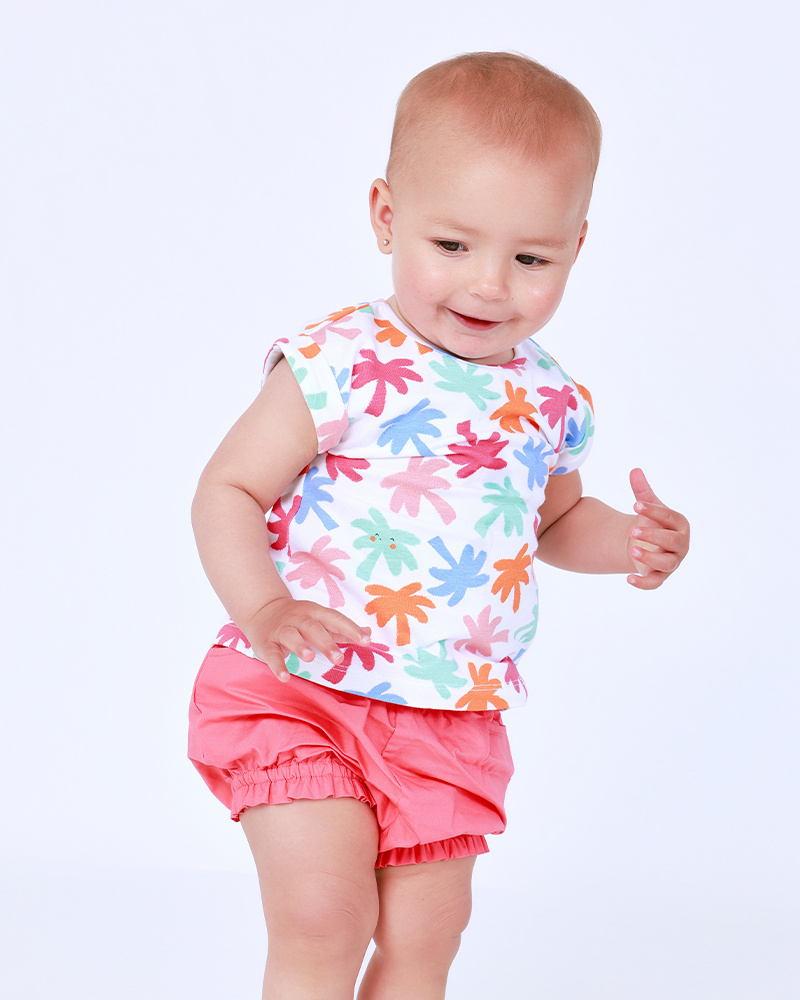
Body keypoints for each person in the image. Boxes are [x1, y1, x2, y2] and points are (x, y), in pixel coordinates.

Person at [188, 51, 690, 1000]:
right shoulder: (340, 358)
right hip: (301, 690)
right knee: (324, 914)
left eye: (530, 258)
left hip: (448, 716)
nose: (490, 285)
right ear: (386, 217)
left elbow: (559, 521)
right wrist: (264, 609)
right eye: (452, 246)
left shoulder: (548, 398)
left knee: (426, 942)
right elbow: (227, 491)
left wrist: (634, 542)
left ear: (576, 247)